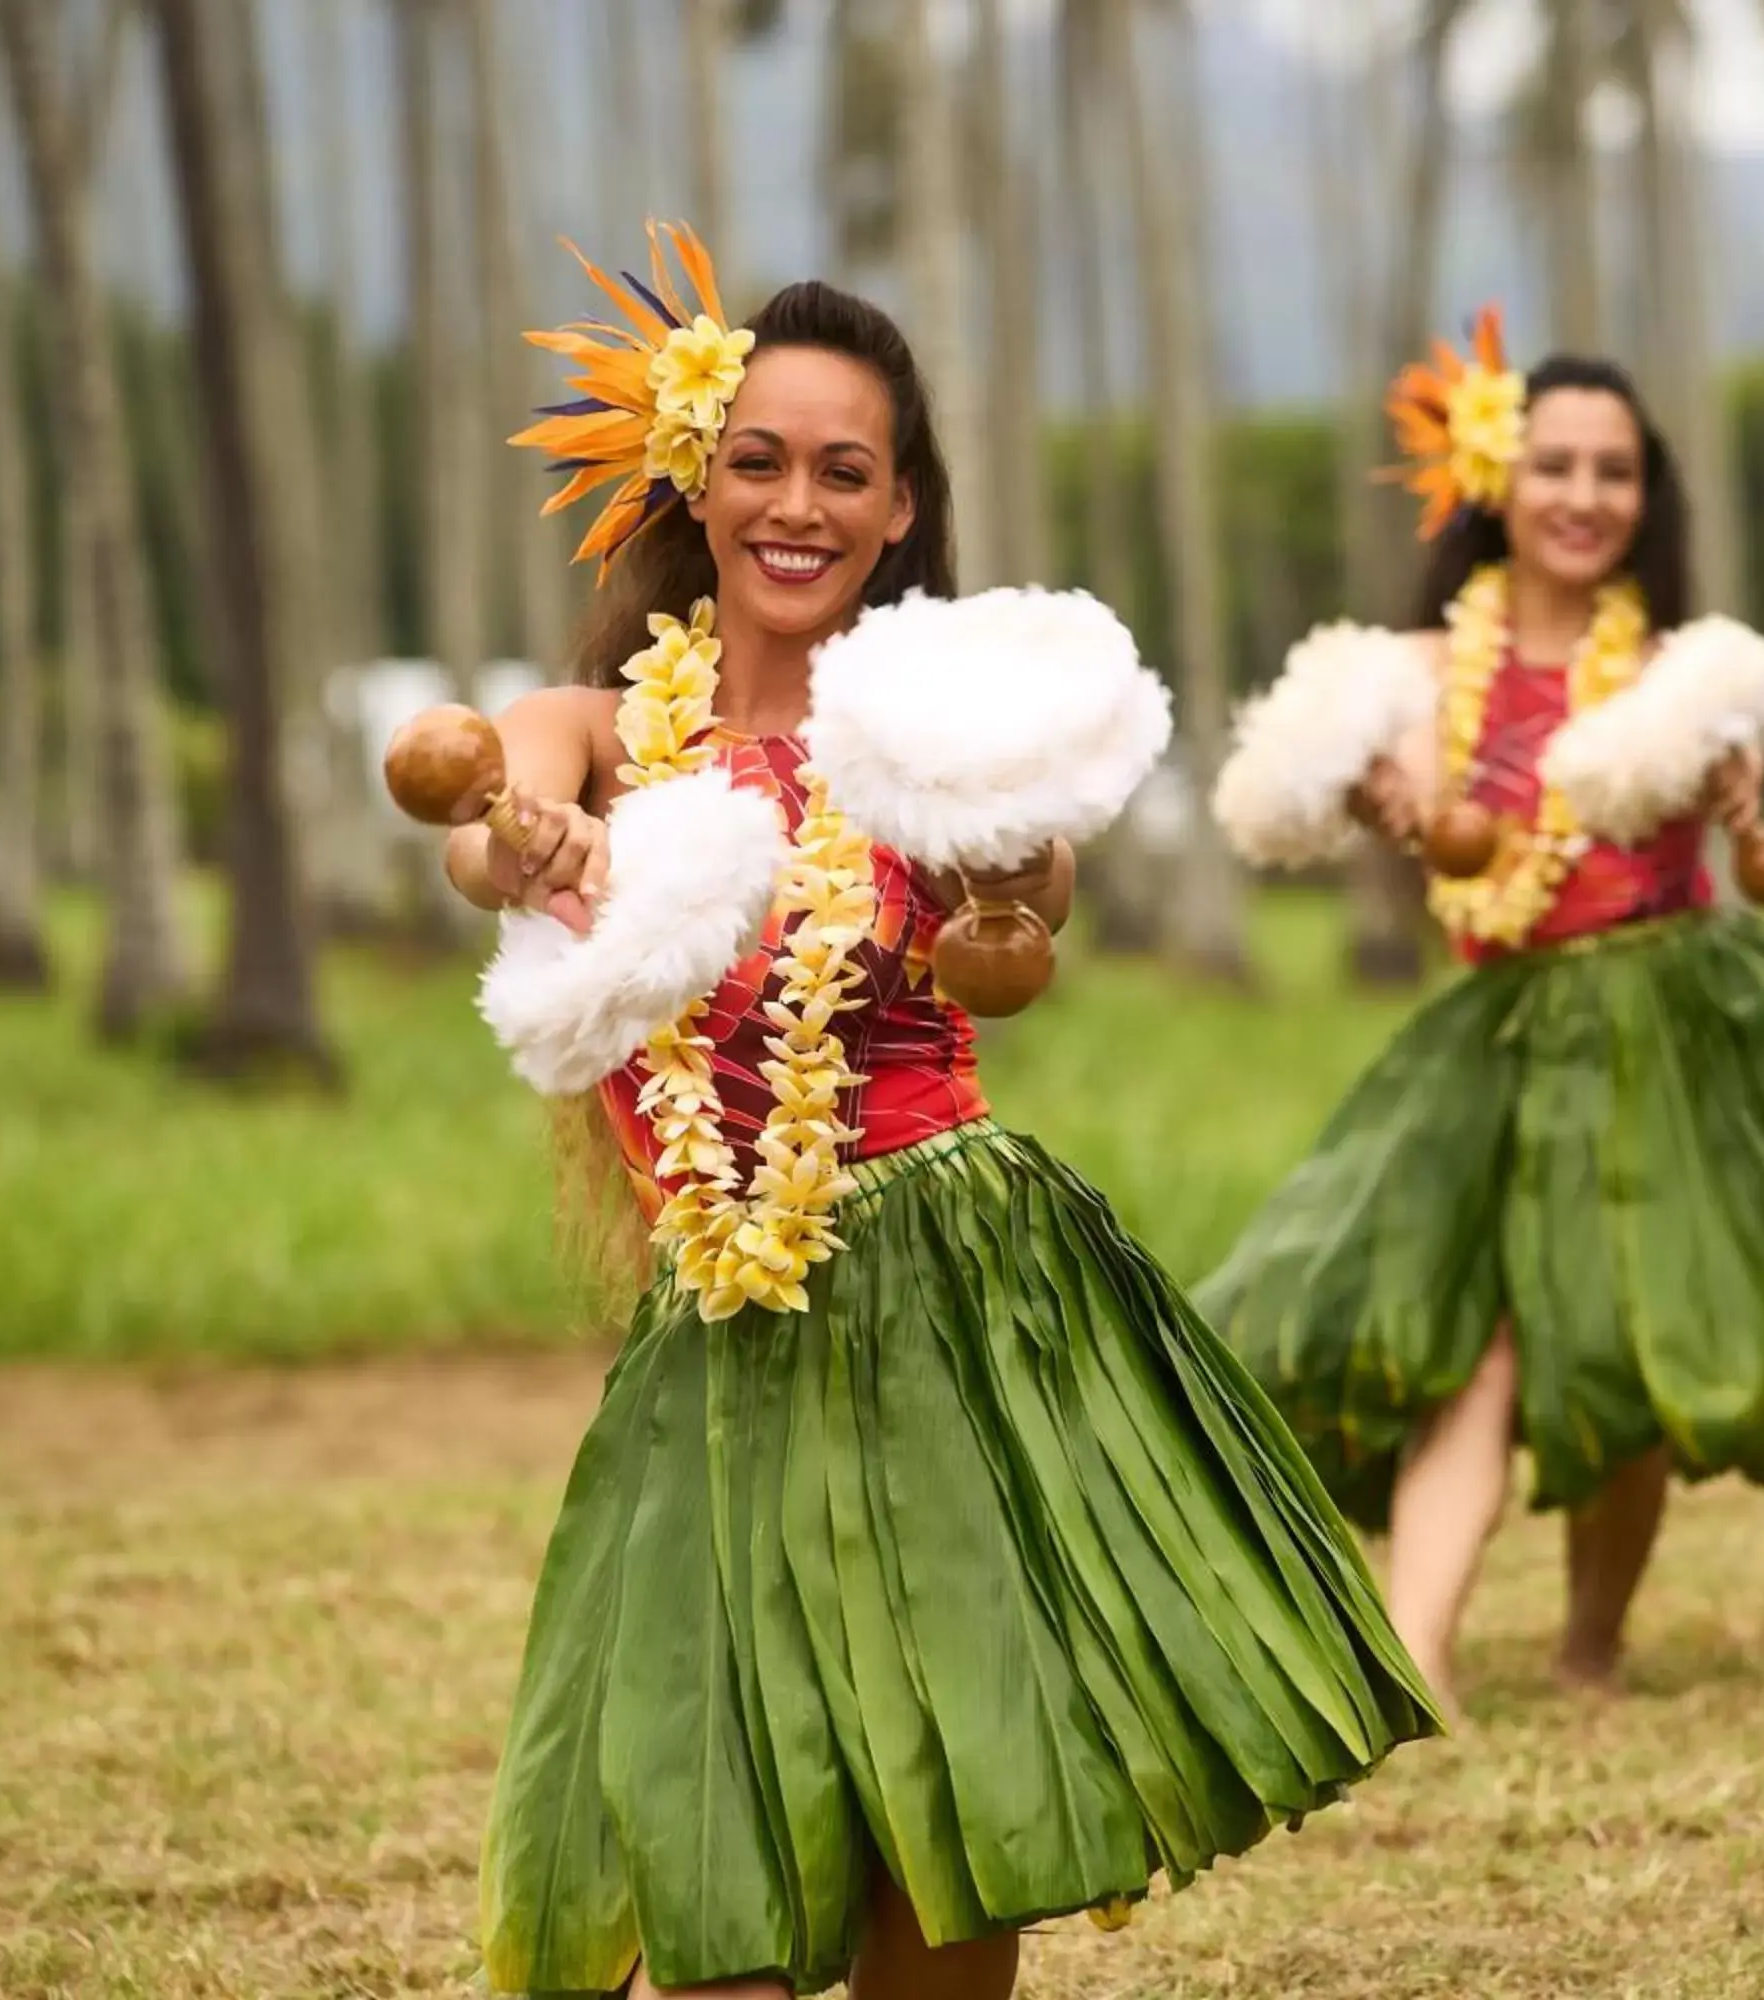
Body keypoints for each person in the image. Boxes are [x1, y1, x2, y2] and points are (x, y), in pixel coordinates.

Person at [434, 226, 1436, 2000]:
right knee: (708, 1824)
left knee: (950, 1837)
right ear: (697, 477)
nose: (796, 505)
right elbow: (484, 819)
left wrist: (1006, 880)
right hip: (720, 1337)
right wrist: (535, 837)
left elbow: (1021, 916)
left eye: (845, 470)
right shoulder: (593, 726)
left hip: (951, 1296)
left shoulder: (938, 741)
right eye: (759, 461)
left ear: (902, 510)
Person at [1194, 311, 1764, 1722]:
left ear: (1645, 494)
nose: (1585, 497)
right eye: (1555, 466)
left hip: (1672, 1026)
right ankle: (1419, 1653)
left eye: (1614, 471)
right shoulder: (1415, 670)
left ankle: (1592, 1645)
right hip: (1498, 1039)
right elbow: (1459, 857)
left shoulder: (1694, 671)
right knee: (1471, 1347)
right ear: (1497, 480)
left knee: (1626, 1347)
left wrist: (1749, 817)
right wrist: (1407, 817)